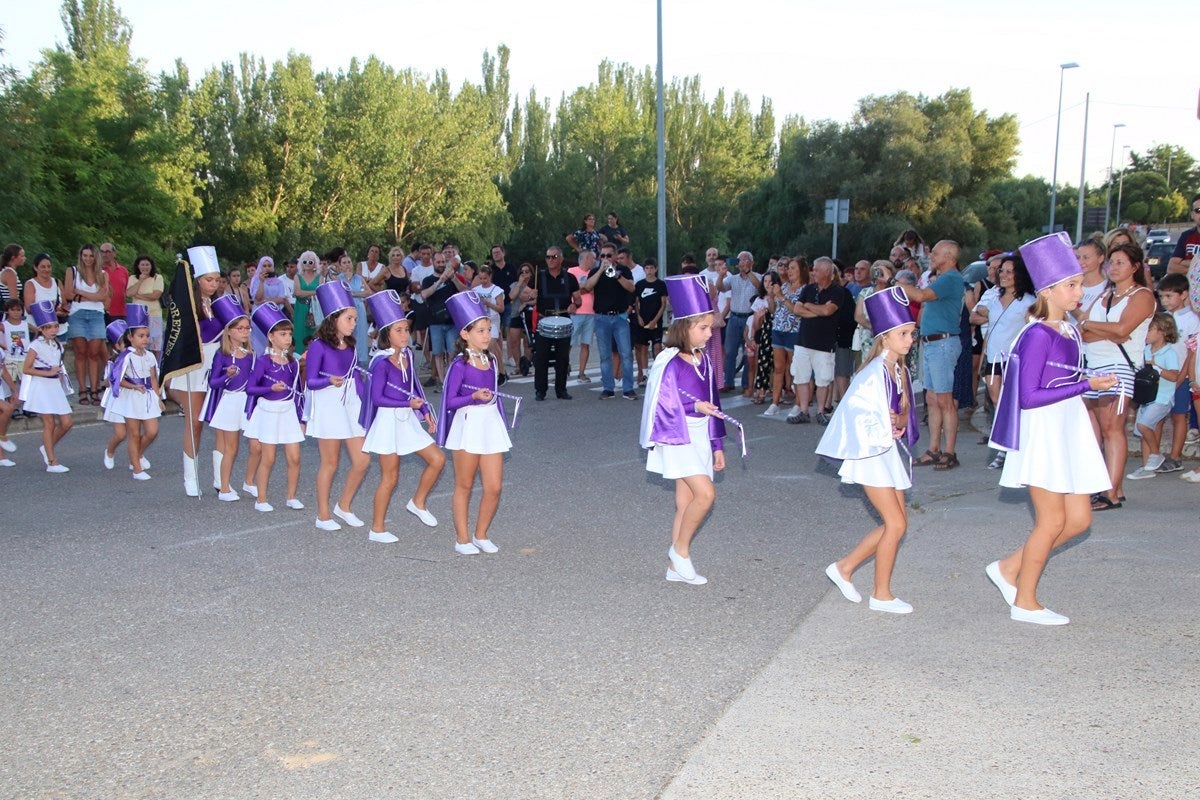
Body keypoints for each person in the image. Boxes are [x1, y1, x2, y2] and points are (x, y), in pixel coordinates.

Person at [986, 232, 1118, 625]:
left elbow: (1063, 377)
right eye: (1072, 284)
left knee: (1078, 520)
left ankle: (1008, 569)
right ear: (1049, 290)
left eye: (1079, 282)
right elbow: (1028, 396)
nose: (1080, 290)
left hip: (1066, 427)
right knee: (1052, 521)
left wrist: (1093, 379)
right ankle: (1025, 601)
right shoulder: (1036, 334)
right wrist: (1086, 385)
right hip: (1043, 433)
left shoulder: (1069, 329)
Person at [817, 286, 920, 613]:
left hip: (887, 452)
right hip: (871, 453)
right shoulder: (874, 372)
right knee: (897, 524)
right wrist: (883, 426)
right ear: (884, 338)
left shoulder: (900, 370)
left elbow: (904, 412)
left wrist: (901, 420)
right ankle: (881, 594)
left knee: (898, 521)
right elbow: (856, 413)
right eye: (902, 334)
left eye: (912, 333)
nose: (909, 340)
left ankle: (845, 568)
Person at [639, 274, 728, 586]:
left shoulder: (704, 360)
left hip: (702, 436)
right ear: (683, 327)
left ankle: (674, 568)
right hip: (678, 435)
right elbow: (664, 404)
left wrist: (717, 444)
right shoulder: (670, 362)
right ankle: (681, 553)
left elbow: (714, 403)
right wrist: (693, 408)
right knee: (706, 495)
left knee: (685, 501)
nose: (708, 334)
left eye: (709, 328)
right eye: (702, 328)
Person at [360, 290, 445, 543]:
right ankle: (377, 529)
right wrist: (408, 403)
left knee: (438, 459)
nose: (405, 334)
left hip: (407, 418)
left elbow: (415, 387)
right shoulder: (381, 362)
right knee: (391, 477)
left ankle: (417, 501)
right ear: (387, 334)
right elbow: (377, 399)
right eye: (399, 330)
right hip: (387, 422)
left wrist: (424, 410)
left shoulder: (408, 355)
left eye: (406, 329)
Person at [1080, 242, 1155, 511]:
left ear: (1135, 267)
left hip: (1119, 368)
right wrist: (1104, 329)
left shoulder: (1142, 296)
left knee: (1113, 429)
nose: (1113, 267)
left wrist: (1092, 325)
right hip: (1095, 366)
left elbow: (1123, 329)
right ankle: (1114, 487)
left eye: (1120, 262)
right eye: (1111, 262)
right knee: (1099, 431)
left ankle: (1109, 493)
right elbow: (1083, 332)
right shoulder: (1104, 296)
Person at [438, 291, 512, 555]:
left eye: (488, 329)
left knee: (494, 486)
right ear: (465, 334)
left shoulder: (491, 360)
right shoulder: (460, 364)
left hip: (489, 424)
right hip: (467, 424)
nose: (486, 335)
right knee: (465, 484)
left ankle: (481, 534)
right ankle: (462, 538)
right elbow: (449, 401)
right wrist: (473, 397)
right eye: (480, 330)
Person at [306, 282, 369, 531]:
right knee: (330, 462)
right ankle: (322, 515)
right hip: (328, 403)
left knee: (362, 460)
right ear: (334, 319)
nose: (354, 323)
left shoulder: (351, 346)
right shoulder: (318, 346)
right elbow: (311, 381)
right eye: (350, 318)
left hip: (350, 402)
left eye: (355, 318)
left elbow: (356, 378)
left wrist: (367, 405)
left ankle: (343, 506)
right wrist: (328, 380)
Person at [898, 240, 965, 469]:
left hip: (942, 344)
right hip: (934, 343)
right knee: (932, 399)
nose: (931, 256)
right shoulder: (944, 279)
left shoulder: (950, 278)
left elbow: (920, 296)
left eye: (935, 253)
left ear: (949, 256)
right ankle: (934, 448)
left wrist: (895, 283)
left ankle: (949, 451)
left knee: (944, 400)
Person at [971, 254, 1036, 469]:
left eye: (1010, 271)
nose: (1004, 275)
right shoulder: (993, 296)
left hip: (1013, 359)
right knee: (997, 403)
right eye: (1002, 271)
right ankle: (1004, 446)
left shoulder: (1028, 301)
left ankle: (1014, 447)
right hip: (993, 357)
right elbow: (977, 312)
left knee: (1011, 404)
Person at [169, 246, 224, 497]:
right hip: (195, 363)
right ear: (197, 280)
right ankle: (190, 477)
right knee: (195, 422)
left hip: (217, 362)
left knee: (220, 421)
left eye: (216, 280)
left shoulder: (219, 304)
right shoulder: (187, 305)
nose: (213, 284)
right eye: (208, 280)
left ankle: (219, 477)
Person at [245, 303, 305, 513]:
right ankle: (261, 499)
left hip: (288, 411)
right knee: (268, 457)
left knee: (295, 457)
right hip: (268, 411)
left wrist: (301, 418)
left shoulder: (293, 363)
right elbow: (251, 388)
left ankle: (291, 496)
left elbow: (299, 392)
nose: (287, 338)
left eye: (289, 334)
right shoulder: (262, 362)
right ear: (271, 336)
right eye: (282, 334)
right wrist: (269, 387)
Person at [203, 295, 257, 501]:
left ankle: (249, 481)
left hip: (248, 402)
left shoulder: (251, 353)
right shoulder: (222, 354)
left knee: (257, 445)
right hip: (230, 401)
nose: (244, 332)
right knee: (231, 447)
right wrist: (227, 375)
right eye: (240, 328)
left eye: (247, 328)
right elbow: (213, 383)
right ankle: (224, 487)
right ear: (229, 331)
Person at [787, 257, 848, 425]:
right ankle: (804, 411)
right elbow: (797, 309)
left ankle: (821, 411)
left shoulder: (837, 291)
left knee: (823, 379)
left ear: (827, 272)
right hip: (803, 341)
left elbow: (829, 310)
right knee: (801, 377)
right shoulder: (808, 288)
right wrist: (818, 311)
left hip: (824, 344)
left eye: (817, 270)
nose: (813, 272)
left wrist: (810, 307)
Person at [105, 305, 162, 481]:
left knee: (152, 431)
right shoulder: (126, 357)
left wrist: (158, 397)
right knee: (134, 433)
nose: (145, 339)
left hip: (147, 396)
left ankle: (137, 455)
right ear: (130, 337)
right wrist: (133, 386)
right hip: (130, 397)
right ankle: (136, 468)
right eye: (140, 336)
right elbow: (116, 379)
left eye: (146, 335)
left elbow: (153, 377)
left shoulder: (150, 356)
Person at [1125, 313, 1180, 481]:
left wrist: (1157, 368)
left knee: (1143, 426)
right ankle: (1148, 466)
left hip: (1162, 398)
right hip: (1147, 398)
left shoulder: (1169, 352)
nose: (1146, 333)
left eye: (1150, 329)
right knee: (1142, 430)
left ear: (1162, 331)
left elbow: (1174, 376)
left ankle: (1156, 455)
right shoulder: (1145, 350)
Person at [21, 301, 74, 472]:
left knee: (66, 423)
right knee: (49, 423)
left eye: (55, 326)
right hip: (41, 386)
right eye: (49, 327)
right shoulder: (35, 345)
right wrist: (48, 372)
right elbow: (27, 368)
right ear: (41, 329)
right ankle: (52, 462)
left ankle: (47, 446)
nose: (53, 330)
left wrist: (57, 376)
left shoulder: (58, 345)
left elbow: (57, 366)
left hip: (54, 387)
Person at [1154, 273, 1199, 474]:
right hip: (1162, 376)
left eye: (1169, 296)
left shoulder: (1192, 320)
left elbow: (1191, 352)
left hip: (1182, 376)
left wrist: (1182, 377)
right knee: (1158, 416)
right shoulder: (1162, 318)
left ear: (1184, 295)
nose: (1165, 301)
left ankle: (1176, 456)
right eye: (1162, 296)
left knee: (1179, 416)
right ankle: (1154, 456)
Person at [584, 245, 637, 399]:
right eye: (602, 256)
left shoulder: (623, 270)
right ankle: (608, 388)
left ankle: (628, 388)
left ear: (615, 256)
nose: (605, 258)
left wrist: (617, 276)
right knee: (605, 355)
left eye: (609, 255)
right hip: (601, 318)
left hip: (620, 317)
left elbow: (632, 288)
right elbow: (587, 287)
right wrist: (601, 270)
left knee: (626, 354)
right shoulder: (595, 271)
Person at [64, 243, 110, 406]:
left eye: (91, 256)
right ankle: (83, 389)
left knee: (94, 353)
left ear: (95, 256)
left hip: (97, 314)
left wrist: (81, 293)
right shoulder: (73, 271)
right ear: (81, 256)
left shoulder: (103, 274)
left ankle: (95, 388)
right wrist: (93, 296)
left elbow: (103, 296)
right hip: (78, 314)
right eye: (85, 255)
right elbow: (68, 293)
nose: (88, 259)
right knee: (81, 352)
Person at [533, 247, 580, 401]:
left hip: (563, 319)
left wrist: (575, 305)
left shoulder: (570, 278)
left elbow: (578, 299)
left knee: (563, 357)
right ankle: (540, 390)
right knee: (541, 357)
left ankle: (561, 390)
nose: (550, 260)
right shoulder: (538, 277)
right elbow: (524, 295)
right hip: (544, 320)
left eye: (554, 257)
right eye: (548, 257)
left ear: (561, 258)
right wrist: (529, 294)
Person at [764, 257, 806, 416]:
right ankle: (775, 403)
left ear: (801, 270)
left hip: (794, 331)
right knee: (779, 367)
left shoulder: (805, 289)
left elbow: (796, 310)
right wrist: (770, 296)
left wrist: (781, 296)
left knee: (794, 368)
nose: (789, 271)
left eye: (793, 268)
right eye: (788, 268)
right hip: (778, 329)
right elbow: (774, 310)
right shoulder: (785, 286)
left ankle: (798, 403)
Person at [717, 251, 761, 394]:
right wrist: (722, 275)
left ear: (751, 262)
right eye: (740, 259)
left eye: (745, 259)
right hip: (734, 317)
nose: (741, 262)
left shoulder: (757, 276)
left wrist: (748, 271)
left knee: (748, 351)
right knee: (730, 351)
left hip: (749, 317)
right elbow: (721, 288)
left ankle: (746, 384)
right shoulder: (733, 279)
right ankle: (728, 381)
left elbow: (759, 287)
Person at [634, 260, 667, 386]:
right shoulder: (640, 284)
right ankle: (644, 374)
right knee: (643, 347)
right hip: (643, 320)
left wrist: (655, 320)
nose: (649, 270)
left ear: (656, 269)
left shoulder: (660, 284)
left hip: (656, 321)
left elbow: (663, 304)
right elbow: (636, 302)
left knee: (657, 346)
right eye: (647, 268)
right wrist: (638, 317)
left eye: (651, 268)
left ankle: (658, 373)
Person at [473, 265, 508, 383]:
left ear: (490, 276)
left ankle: (500, 372)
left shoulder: (496, 290)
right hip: (481, 322)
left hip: (493, 320)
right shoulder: (476, 290)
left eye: (485, 278)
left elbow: (501, 308)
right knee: (491, 348)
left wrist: (488, 303)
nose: (483, 281)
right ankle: (499, 371)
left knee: (490, 344)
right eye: (481, 278)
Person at [125, 255, 164, 360]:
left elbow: (155, 296)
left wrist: (137, 295)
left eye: (147, 265)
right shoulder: (132, 278)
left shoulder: (157, 277)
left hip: (154, 314)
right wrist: (140, 281)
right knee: (139, 342)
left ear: (151, 266)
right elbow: (129, 293)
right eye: (142, 265)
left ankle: (156, 366)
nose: (145, 267)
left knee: (155, 344)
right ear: (138, 266)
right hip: (137, 315)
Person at [568, 251, 596, 382]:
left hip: (591, 313)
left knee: (586, 343)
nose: (595, 261)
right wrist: (586, 288)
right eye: (593, 258)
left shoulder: (594, 273)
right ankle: (563, 369)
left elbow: (594, 289)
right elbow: (571, 288)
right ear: (586, 259)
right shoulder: (572, 271)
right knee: (568, 343)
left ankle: (581, 373)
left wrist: (581, 288)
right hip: (575, 312)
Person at [749, 271, 776, 404]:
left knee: (777, 365)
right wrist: (758, 319)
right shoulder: (759, 300)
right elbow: (755, 325)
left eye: (770, 281)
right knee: (762, 362)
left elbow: (773, 311)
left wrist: (771, 296)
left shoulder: (778, 297)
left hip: (776, 331)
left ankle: (776, 391)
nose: (767, 284)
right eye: (765, 281)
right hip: (764, 333)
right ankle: (760, 389)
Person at [507, 263, 537, 376]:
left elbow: (538, 300)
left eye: (527, 271)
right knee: (514, 341)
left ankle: (526, 366)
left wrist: (526, 303)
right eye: (522, 271)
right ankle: (518, 366)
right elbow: (512, 296)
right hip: (516, 314)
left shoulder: (534, 284)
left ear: (531, 273)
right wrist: (520, 283)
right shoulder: (515, 284)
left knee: (527, 342)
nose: (524, 274)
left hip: (529, 314)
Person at [292, 250, 321, 354]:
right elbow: (298, 292)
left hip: (315, 309)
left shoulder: (320, 277)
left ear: (315, 263)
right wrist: (314, 292)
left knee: (315, 333)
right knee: (299, 333)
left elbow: (321, 292)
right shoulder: (297, 276)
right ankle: (299, 357)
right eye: (305, 262)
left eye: (310, 262)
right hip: (301, 308)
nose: (308, 264)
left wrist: (306, 293)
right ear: (301, 263)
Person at [99, 243, 128, 325]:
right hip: (102, 312)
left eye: (108, 251)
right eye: (102, 252)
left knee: (120, 337)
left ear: (114, 253)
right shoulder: (97, 270)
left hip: (120, 313)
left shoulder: (123, 270)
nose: (104, 254)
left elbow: (125, 291)